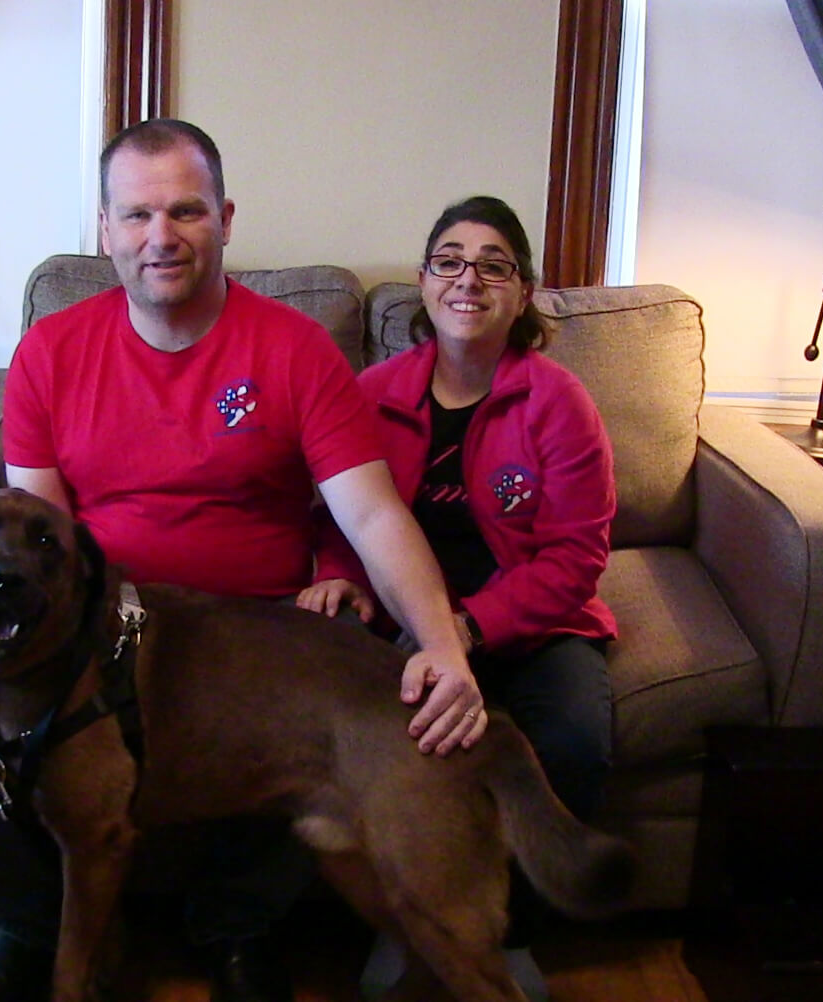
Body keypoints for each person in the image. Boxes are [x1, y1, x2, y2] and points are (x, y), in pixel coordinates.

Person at [0, 119, 485, 1002]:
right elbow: (43, 534)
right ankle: (28, 926)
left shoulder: (296, 350)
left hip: (248, 615)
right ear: (105, 230)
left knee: (294, 680)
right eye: (138, 215)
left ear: (224, 218)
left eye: (186, 210)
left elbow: (373, 515)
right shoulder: (52, 352)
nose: (162, 236)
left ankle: (240, 928)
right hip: (107, 617)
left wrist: (441, 644)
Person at [298, 195, 617, 1000]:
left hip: (531, 623)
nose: (468, 277)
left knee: (573, 741)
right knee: (381, 749)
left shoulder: (559, 403)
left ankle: (508, 940)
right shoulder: (369, 393)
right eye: (449, 259)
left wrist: (470, 629)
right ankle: (404, 926)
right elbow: (341, 510)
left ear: (524, 293)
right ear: (424, 281)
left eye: (493, 264)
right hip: (401, 619)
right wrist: (335, 569)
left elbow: (576, 559)